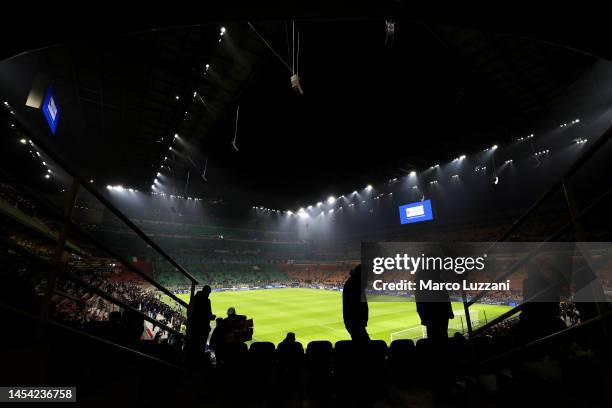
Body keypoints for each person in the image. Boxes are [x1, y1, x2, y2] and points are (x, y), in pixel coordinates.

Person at [415, 269, 454, 341]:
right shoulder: (438, 280)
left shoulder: (421, 283)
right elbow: (446, 297)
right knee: (442, 336)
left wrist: (423, 319)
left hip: (432, 316)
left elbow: (419, 304)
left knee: (434, 338)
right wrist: (450, 312)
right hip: (441, 314)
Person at [342, 264, 369, 342]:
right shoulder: (354, 285)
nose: (367, 278)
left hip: (355, 324)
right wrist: (362, 322)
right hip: (356, 324)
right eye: (366, 276)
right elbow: (356, 307)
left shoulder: (354, 283)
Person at [189, 286, 215, 354]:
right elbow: (208, 315)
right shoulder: (207, 301)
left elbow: (189, 312)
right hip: (202, 328)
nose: (209, 294)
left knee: (192, 346)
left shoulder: (194, 298)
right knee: (200, 347)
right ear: (206, 292)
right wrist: (212, 317)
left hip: (192, 326)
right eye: (208, 293)